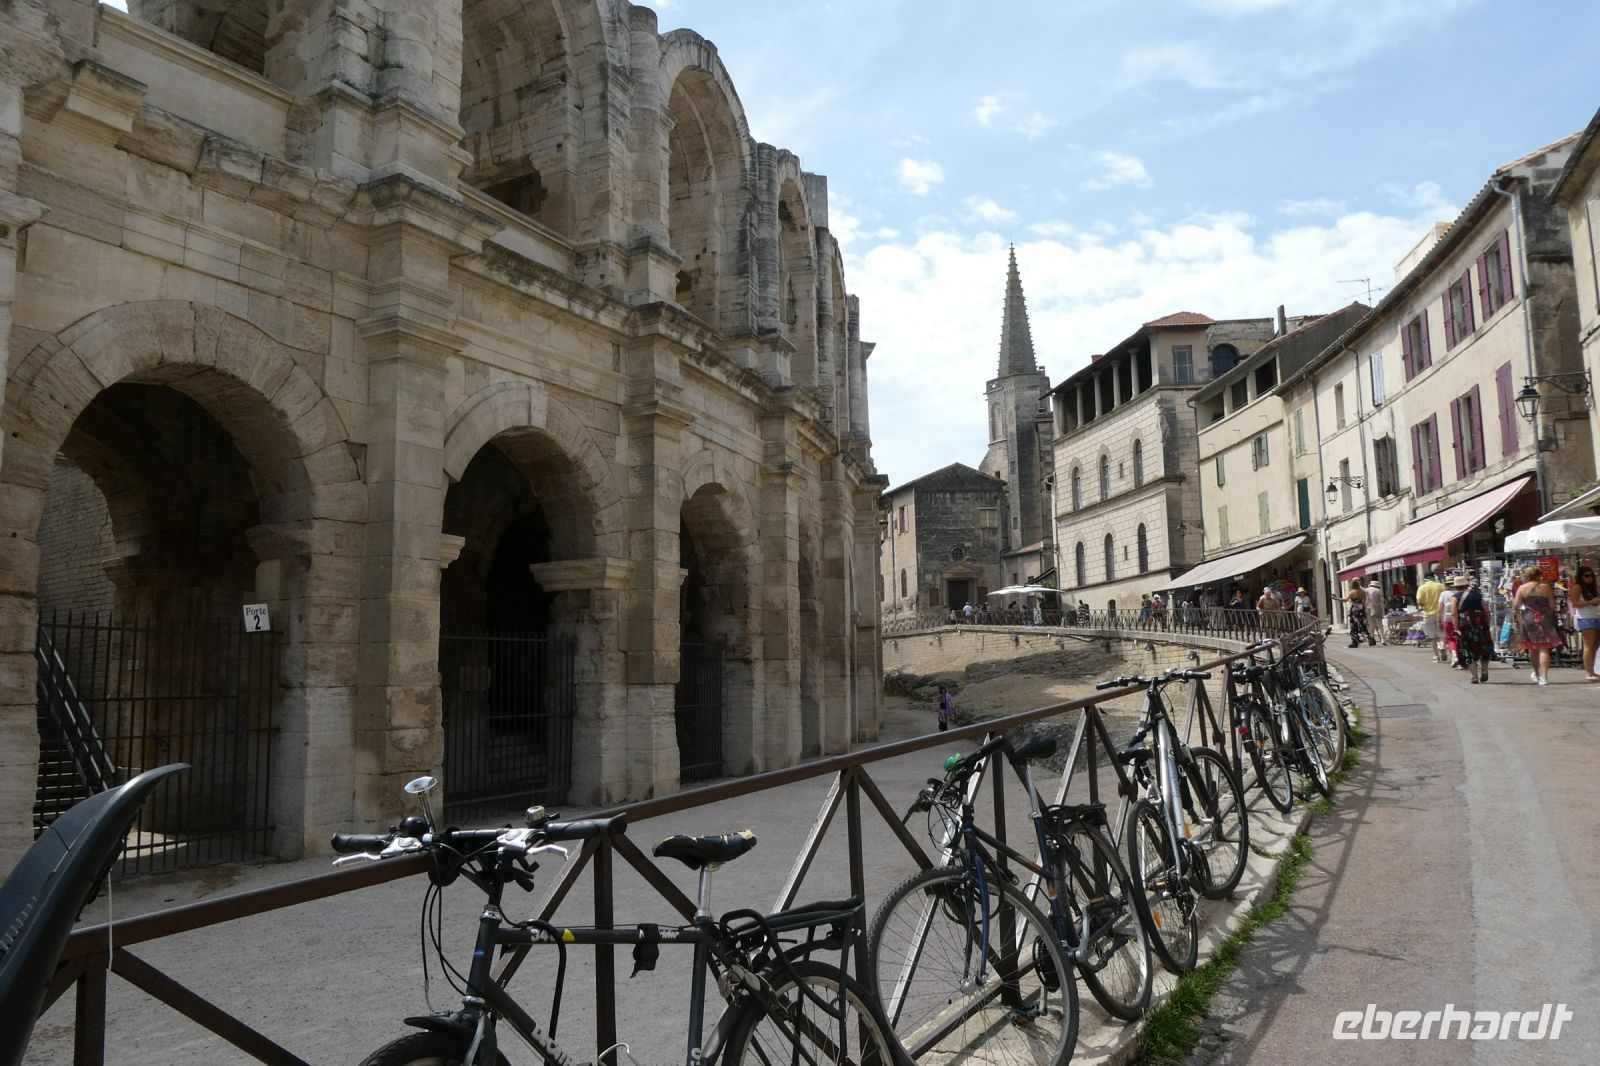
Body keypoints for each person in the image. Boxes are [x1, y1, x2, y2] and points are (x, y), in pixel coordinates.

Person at [1512, 565, 1562, 685]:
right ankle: (1544, 677)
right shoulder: (1545, 587)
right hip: (1545, 619)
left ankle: (1536, 673)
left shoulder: (1522, 588)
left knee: (1532, 648)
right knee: (1544, 648)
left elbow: (1516, 605)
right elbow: (1552, 605)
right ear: (1539, 574)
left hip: (1528, 619)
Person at [1456, 580, 1495, 683]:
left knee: (1468, 649)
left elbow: (1453, 614)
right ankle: (1485, 670)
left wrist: (1456, 628)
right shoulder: (1477, 595)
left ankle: (1474, 676)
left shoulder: (1456, 597)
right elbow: (1486, 610)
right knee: (1483, 648)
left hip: (1465, 626)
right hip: (1480, 624)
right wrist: (1487, 621)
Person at [1568, 563, 1600, 681]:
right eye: (1586, 576)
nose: (1589, 578)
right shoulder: (1577, 587)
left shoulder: (1592, 587)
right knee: (1589, 646)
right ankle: (1589, 672)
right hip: (1585, 618)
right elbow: (1574, 603)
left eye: (1591, 576)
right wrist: (1590, 602)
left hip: (1596, 616)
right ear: (1580, 577)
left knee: (1595, 646)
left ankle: (1593, 670)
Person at [1416, 569, 1447, 663]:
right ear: (1434, 578)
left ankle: (1436, 656)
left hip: (1428, 614)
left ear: (1425, 579)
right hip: (1441, 614)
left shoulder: (1422, 588)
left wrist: (1425, 604)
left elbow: (1419, 602)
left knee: (1432, 636)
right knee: (1442, 634)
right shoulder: (1441, 586)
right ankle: (1442, 647)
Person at [1440, 575, 1468, 667]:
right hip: (1461, 618)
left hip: (1447, 619)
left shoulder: (1444, 594)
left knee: (1451, 638)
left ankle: (1455, 656)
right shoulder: (1462, 593)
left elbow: (1440, 608)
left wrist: (1439, 620)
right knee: (1461, 638)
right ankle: (1463, 658)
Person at [1335, 580, 1370, 647]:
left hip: (1355, 610)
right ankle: (1368, 637)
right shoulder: (1362, 592)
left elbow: (1345, 600)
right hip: (1361, 610)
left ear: (1352, 585)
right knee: (1363, 624)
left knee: (1354, 626)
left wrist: (1336, 598)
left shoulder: (1352, 592)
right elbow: (1364, 601)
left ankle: (1355, 642)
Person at [1365, 578, 1387, 644]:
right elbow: (1382, 600)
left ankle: (1371, 638)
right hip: (1377, 608)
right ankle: (1383, 639)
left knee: (1371, 625)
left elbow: (1365, 600)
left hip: (1368, 608)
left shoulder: (1366, 590)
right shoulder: (1378, 590)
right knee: (1380, 625)